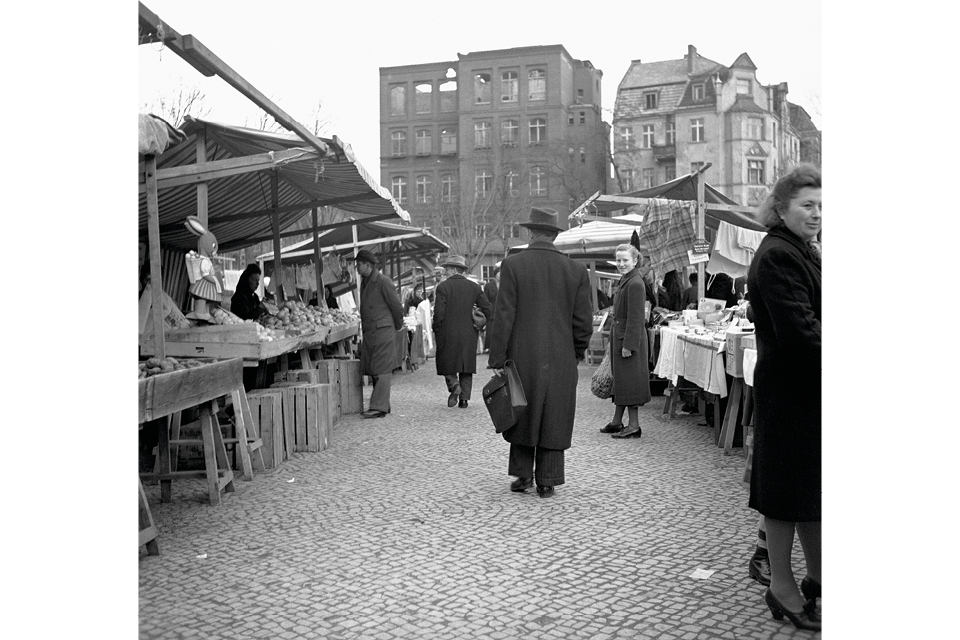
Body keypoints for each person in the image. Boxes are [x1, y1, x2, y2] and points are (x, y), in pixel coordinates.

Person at [747, 163, 821, 631]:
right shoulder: (778, 255)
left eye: (821, 206)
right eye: (807, 205)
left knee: (810, 491)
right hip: (790, 392)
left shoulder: (800, 250)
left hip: (806, 389)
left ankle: (817, 577)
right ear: (781, 208)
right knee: (784, 495)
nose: (816, 214)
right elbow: (801, 332)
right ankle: (782, 585)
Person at [488, 207, 593, 498]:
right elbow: (583, 320)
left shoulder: (513, 265)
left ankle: (522, 475)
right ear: (555, 235)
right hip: (562, 355)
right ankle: (548, 479)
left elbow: (504, 315)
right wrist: (577, 352)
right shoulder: (575, 270)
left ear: (531, 232)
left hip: (522, 354)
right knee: (554, 413)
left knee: (522, 409)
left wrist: (497, 358)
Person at [601, 244, 652, 439]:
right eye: (618, 260)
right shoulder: (627, 280)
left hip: (629, 341)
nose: (621, 264)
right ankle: (616, 422)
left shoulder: (635, 283)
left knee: (630, 383)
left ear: (635, 261)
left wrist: (628, 346)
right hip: (621, 338)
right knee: (622, 381)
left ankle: (634, 426)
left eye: (625, 260)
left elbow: (636, 318)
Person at [432, 256, 491, 409]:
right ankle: (464, 400)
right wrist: (484, 322)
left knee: (447, 362)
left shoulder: (443, 287)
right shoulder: (474, 287)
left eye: (447, 269)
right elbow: (488, 309)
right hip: (469, 332)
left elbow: (439, 313)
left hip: (447, 332)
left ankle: (454, 385)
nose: (445, 272)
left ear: (453, 269)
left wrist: (436, 328)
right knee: (466, 366)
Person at [351, 249, 404, 419]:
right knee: (375, 367)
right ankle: (382, 405)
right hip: (373, 332)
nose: (357, 268)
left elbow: (396, 306)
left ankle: (378, 407)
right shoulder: (365, 281)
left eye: (358, 264)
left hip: (382, 330)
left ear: (368, 264)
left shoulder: (383, 281)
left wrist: (396, 326)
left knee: (381, 369)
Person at [482, 267, 499, 352]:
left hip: (502, 311)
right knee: (490, 330)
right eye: (498, 273)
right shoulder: (489, 286)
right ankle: (488, 347)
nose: (500, 275)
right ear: (495, 275)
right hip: (491, 311)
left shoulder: (506, 285)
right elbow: (485, 299)